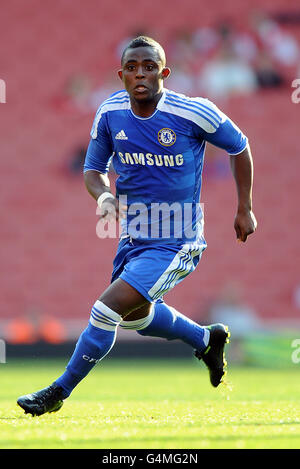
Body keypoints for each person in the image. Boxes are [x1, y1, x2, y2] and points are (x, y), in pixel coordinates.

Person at [17, 36, 257, 416]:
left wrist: (244, 207)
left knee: (105, 310)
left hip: (177, 239)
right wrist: (104, 197)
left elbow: (239, 146)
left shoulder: (194, 112)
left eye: (149, 66)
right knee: (139, 318)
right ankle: (206, 339)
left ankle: (57, 393)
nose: (140, 74)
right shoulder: (110, 112)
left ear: (164, 72)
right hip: (133, 235)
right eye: (132, 68)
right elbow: (93, 171)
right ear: (121, 74)